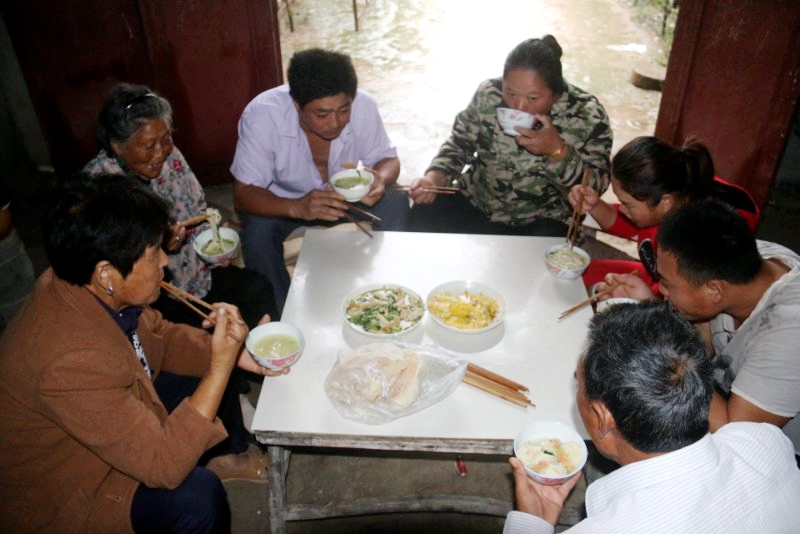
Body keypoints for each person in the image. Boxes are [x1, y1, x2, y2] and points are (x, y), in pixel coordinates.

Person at [0, 176, 288, 532]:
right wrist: (220, 364)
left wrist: (238, 354)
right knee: (196, 499)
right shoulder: (69, 360)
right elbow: (162, 467)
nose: (166, 262)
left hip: (105, 415)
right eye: (153, 253)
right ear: (106, 273)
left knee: (210, 376)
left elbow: (159, 337)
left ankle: (216, 455)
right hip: (71, 487)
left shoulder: (83, 278)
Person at [504, 301, 800, 534]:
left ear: (602, 417)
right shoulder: (763, 440)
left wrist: (531, 525)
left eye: (578, 382)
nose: (577, 388)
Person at [600, 200, 800, 457]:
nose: (661, 290)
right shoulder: (736, 263)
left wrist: (663, 337)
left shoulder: (787, 337)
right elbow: (704, 337)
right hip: (722, 398)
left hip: (777, 458)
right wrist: (651, 304)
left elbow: (733, 436)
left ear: (714, 290)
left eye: (667, 284)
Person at [83, 83, 280, 329]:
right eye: (147, 145)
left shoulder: (171, 156)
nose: (160, 153)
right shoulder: (98, 187)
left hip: (196, 274)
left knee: (257, 289)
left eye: (166, 139)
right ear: (116, 144)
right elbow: (107, 263)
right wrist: (159, 242)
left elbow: (197, 207)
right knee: (197, 337)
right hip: (152, 293)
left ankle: (264, 357)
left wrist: (212, 237)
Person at [230, 48, 409, 311]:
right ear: (296, 105)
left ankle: (391, 293)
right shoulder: (262, 116)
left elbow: (388, 159)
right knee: (257, 234)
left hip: (343, 197)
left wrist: (380, 179)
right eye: (322, 114)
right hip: (285, 203)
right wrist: (298, 207)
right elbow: (243, 193)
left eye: (344, 110)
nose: (335, 122)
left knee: (396, 202)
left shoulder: (364, 106)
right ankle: (280, 317)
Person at [407, 35, 612, 237]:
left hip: (543, 220)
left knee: (547, 256)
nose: (519, 106)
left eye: (533, 98)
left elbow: (594, 190)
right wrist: (434, 178)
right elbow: (460, 143)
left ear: (557, 93)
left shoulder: (588, 115)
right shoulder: (489, 93)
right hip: (476, 203)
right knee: (422, 214)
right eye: (511, 93)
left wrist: (557, 151)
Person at [568, 136, 760, 289]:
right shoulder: (670, 201)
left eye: (628, 204)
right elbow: (627, 226)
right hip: (655, 280)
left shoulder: (695, 240)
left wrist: (644, 295)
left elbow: (680, 298)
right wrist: (594, 204)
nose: (623, 209)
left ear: (665, 202)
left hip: (674, 295)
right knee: (576, 273)